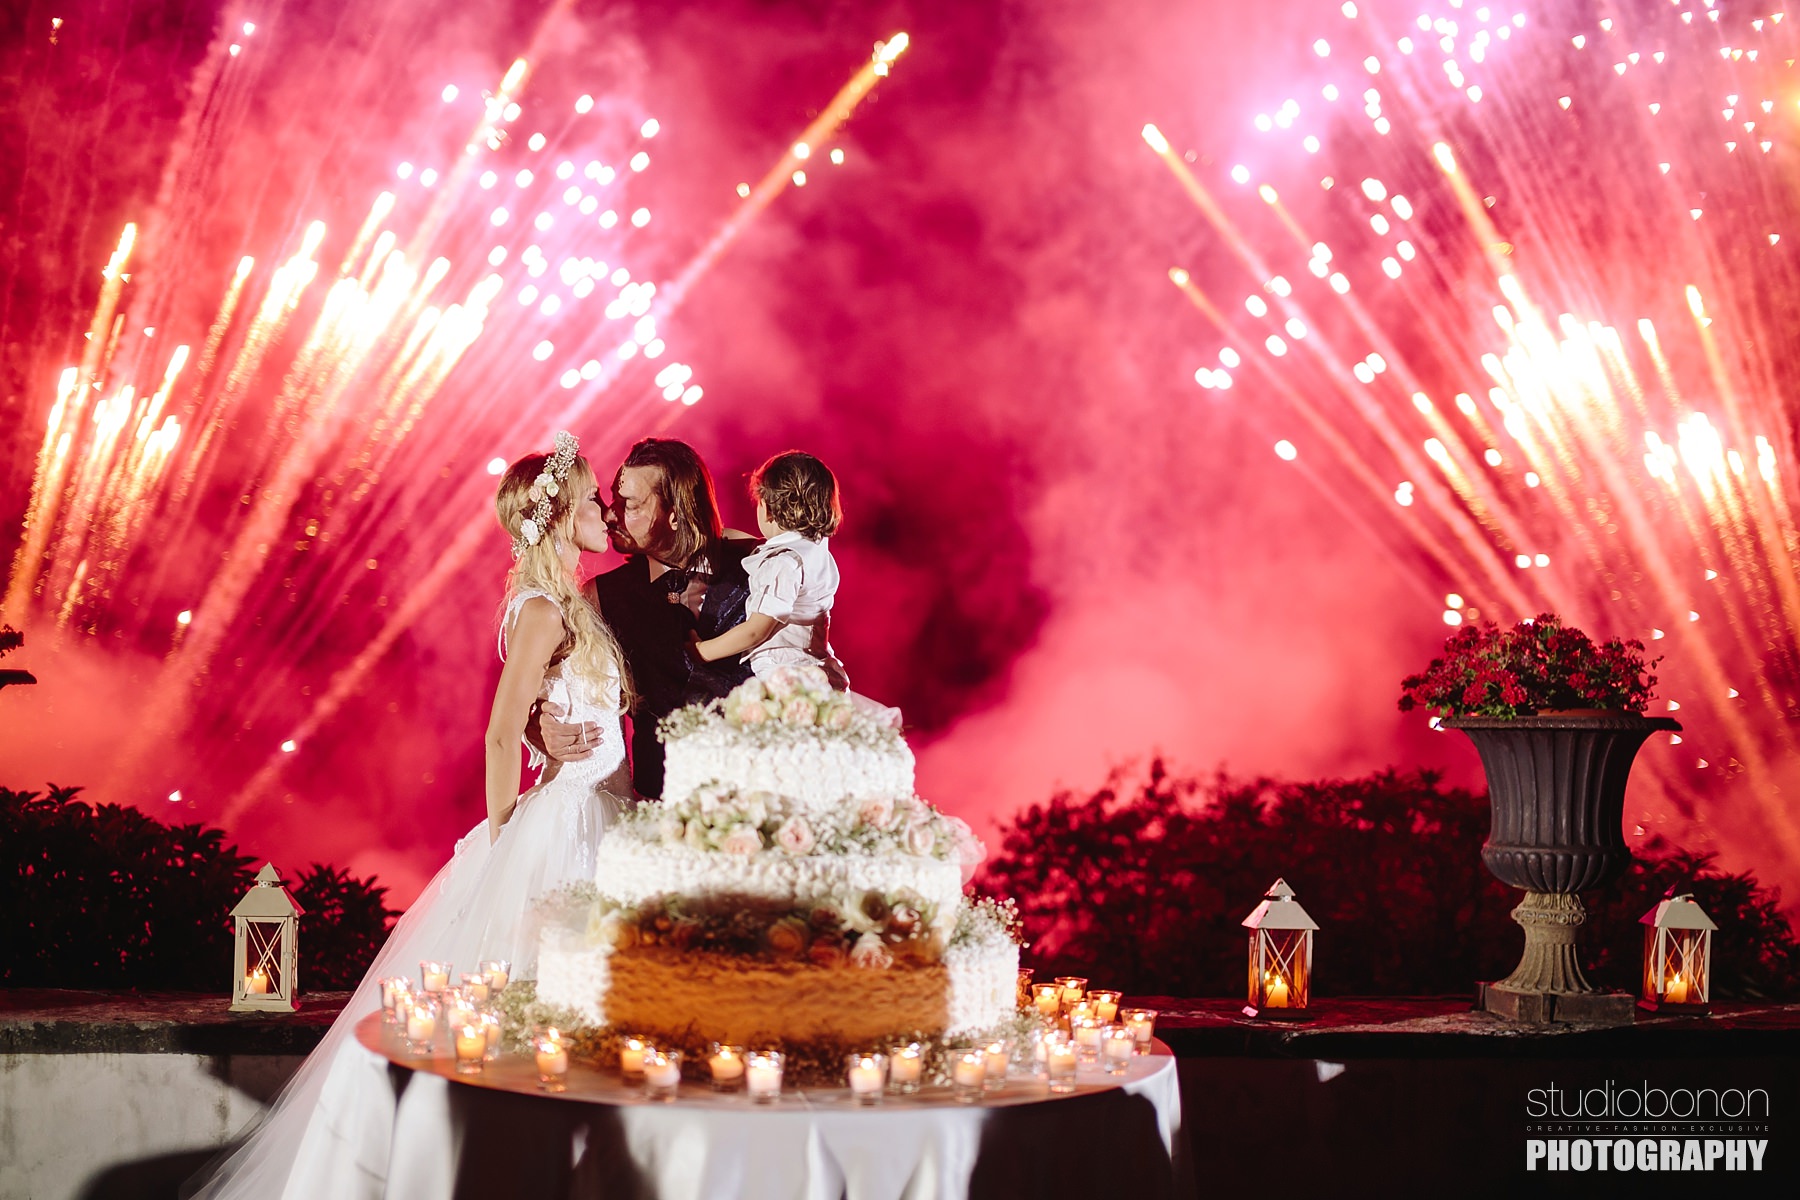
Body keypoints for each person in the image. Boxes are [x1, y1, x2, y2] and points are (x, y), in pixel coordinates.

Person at [185, 432, 632, 1198]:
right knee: (539, 1001)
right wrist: (503, 843)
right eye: (592, 498)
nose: (605, 509)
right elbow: (499, 732)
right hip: (563, 823)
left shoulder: (568, 604)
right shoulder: (540, 612)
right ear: (560, 514)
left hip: (603, 811)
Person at [540, 437, 756, 798]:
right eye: (613, 499)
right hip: (660, 800)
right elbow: (551, 681)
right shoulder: (600, 596)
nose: (610, 515)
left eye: (630, 504)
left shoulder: (756, 564)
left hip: (759, 790)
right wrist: (543, 723)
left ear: (677, 513)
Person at [691, 450, 850, 689]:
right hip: (814, 666)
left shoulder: (783, 563)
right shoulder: (814, 549)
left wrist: (702, 651)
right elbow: (756, 545)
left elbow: (756, 630)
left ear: (767, 510)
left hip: (785, 675)